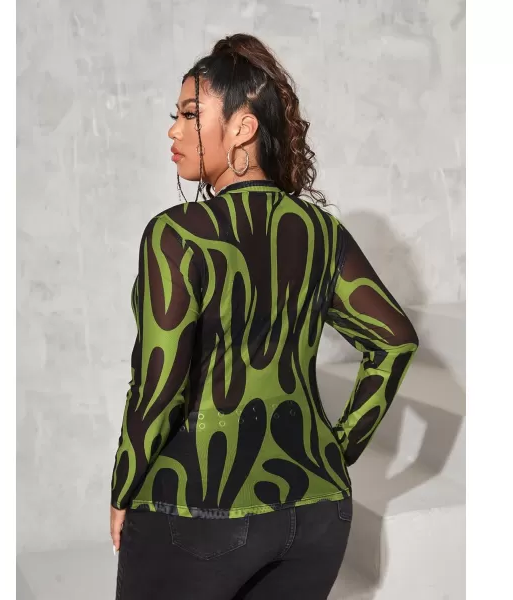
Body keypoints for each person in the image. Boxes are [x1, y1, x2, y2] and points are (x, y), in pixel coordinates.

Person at [109, 33, 419, 600]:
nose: (173, 130)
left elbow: (159, 384)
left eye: (189, 114)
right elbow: (394, 341)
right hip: (318, 514)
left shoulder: (177, 235)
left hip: (196, 510)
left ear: (242, 128)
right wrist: (335, 450)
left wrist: (123, 487)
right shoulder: (324, 234)